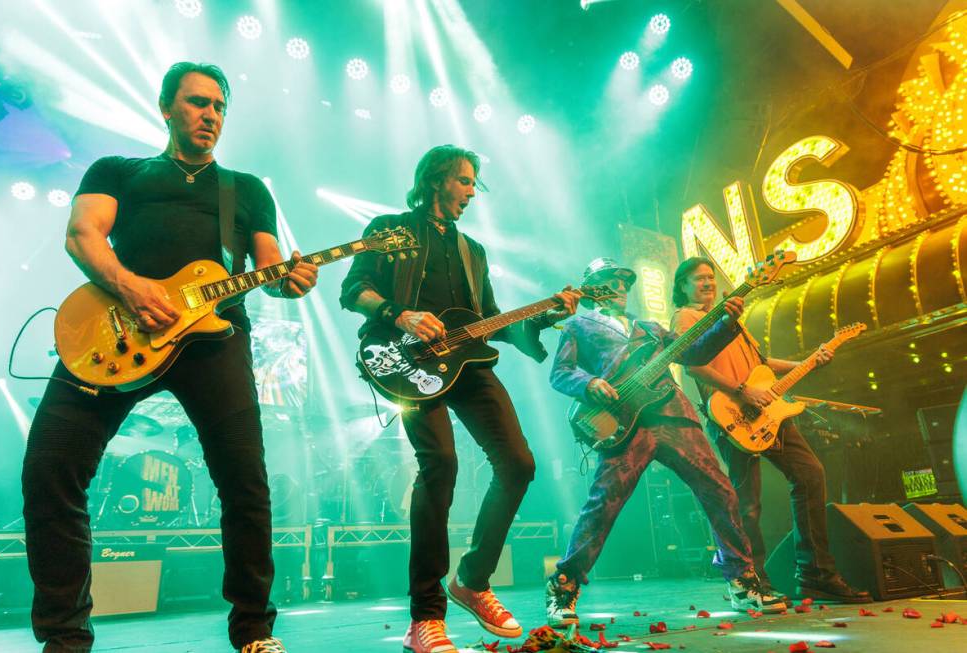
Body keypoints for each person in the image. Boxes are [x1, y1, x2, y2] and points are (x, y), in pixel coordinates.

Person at [21, 62, 318, 653]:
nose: (211, 115)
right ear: (165, 106)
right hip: (116, 335)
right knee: (49, 469)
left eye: (220, 107)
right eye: (197, 103)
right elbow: (83, 234)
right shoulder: (118, 171)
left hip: (215, 341)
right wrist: (133, 288)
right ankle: (64, 636)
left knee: (246, 484)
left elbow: (267, 266)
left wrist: (289, 279)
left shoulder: (246, 189)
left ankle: (254, 628)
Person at [339, 144, 579, 653]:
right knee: (440, 464)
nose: (473, 191)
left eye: (474, 183)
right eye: (466, 181)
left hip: (466, 363)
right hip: (405, 360)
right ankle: (425, 617)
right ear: (437, 180)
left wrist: (546, 315)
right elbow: (353, 290)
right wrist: (399, 314)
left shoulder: (473, 250)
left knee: (518, 463)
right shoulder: (390, 227)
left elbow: (491, 319)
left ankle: (472, 579)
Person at [544, 257, 786, 628]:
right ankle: (564, 584)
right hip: (625, 424)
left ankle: (741, 580)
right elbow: (561, 372)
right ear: (593, 285)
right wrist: (590, 384)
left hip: (673, 415)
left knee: (720, 490)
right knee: (604, 504)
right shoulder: (578, 324)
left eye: (626, 281)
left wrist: (726, 321)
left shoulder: (650, 328)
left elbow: (695, 353)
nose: (623, 287)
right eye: (614, 279)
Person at [671, 256, 871, 603]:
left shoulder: (730, 317)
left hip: (769, 411)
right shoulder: (686, 317)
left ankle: (815, 574)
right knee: (746, 503)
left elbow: (760, 365)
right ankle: (753, 579)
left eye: (710, 277)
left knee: (810, 475)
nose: (707, 282)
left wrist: (807, 362)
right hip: (731, 413)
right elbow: (693, 367)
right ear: (682, 286)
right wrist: (740, 391)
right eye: (697, 279)